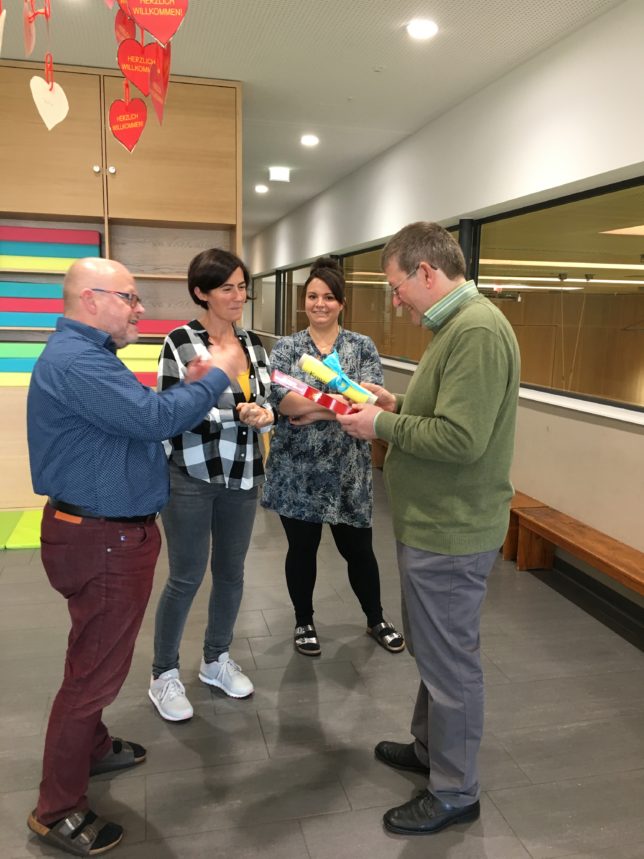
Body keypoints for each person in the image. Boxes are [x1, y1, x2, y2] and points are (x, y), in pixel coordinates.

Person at [26, 257, 238, 856]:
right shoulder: (80, 362)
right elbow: (152, 419)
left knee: (92, 653)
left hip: (101, 534)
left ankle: (90, 749)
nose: (140, 309)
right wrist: (218, 375)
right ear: (91, 300)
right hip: (101, 539)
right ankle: (56, 809)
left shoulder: (88, 356)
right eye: (130, 298)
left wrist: (195, 385)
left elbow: (137, 417)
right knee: (93, 673)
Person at [337, 223, 520, 836]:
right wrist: (395, 405)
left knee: (450, 665)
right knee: (433, 649)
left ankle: (455, 791)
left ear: (425, 272)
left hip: (452, 528)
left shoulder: (477, 331)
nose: (396, 303)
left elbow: (462, 439)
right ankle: (429, 749)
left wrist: (379, 427)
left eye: (396, 289)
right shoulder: (455, 328)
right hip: (433, 523)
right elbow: (444, 413)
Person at [148, 248, 273, 722]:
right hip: (191, 475)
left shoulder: (253, 343)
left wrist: (265, 413)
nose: (238, 296)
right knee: (186, 576)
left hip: (242, 474)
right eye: (227, 288)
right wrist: (237, 415)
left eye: (242, 287)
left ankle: (215, 659)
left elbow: (266, 398)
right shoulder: (181, 342)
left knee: (231, 572)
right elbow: (172, 412)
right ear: (201, 293)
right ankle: (163, 673)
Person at [261, 256, 404, 657]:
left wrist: (314, 409)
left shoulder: (361, 346)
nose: (319, 303)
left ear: (341, 303)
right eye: (312, 296)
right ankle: (303, 621)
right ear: (303, 301)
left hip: (347, 471)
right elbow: (284, 402)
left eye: (328, 297)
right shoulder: (288, 348)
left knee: (359, 551)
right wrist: (335, 403)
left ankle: (376, 618)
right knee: (301, 551)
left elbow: (371, 403)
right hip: (297, 470)